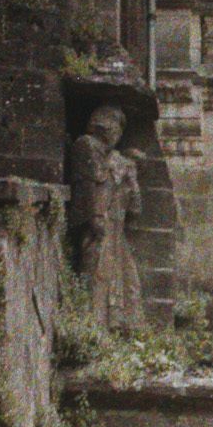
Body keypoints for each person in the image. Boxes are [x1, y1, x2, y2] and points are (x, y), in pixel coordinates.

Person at [66, 102, 144, 331]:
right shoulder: (87, 145)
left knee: (123, 280)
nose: (117, 135)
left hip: (115, 227)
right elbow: (91, 185)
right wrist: (96, 217)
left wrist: (131, 178)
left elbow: (135, 209)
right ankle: (91, 327)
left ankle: (113, 327)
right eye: (116, 128)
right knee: (96, 274)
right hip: (100, 222)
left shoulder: (117, 160)